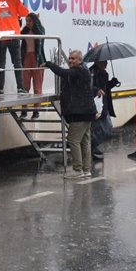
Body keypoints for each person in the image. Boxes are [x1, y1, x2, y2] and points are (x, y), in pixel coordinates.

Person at [43, 50, 98, 179]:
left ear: (80, 60)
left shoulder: (78, 71)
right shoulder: (83, 71)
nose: (70, 60)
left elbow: (62, 72)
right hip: (87, 112)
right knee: (85, 141)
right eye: (69, 58)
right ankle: (86, 169)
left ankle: (78, 170)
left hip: (80, 113)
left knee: (73, 140)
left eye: (73, 59)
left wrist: (49, 64)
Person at [0, 0, 29, 94]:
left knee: (0, 64)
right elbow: (25, 13)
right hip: (14, 36)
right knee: (17, 63)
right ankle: (20, 87)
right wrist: (21, 6)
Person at [89, 60, 119, 161]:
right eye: (104, 62)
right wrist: (96, 90)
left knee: (106, 128)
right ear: (98, 62)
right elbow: (88, 87)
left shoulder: (104, 73)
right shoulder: (91, 73)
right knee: (99, 128)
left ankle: (92, 147)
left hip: (104, 104)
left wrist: (112, 83)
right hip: (96, 105)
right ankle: (91, 147)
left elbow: (105, 88)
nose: (106, 64)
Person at [20, 13, 47, 119]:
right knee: (25, 86)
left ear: (34, 21)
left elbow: (41, 38)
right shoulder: (25, 30)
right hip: (27, 57)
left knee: (37, 87)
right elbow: (19, 35)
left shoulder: (40, 29)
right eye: (26, 20)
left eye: (30, 20)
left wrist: (35, 26)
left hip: (37, 58)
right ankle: (24, 110)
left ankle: (36, 111)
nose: (28, 23)